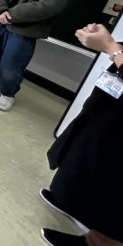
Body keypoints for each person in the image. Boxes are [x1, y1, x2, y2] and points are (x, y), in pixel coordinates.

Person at [40, 23, 123, 246]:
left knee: (111, 176)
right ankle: (71, 203)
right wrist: (110, 45)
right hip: (109, 108)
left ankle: (97, 241)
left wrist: (111, 47)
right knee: (85, 153)